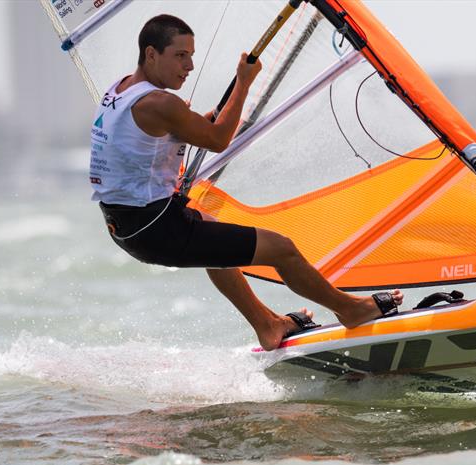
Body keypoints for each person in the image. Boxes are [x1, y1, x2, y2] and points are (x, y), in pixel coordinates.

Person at [89, 14, 403, 350]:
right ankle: (351, 309)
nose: (190, 66)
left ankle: (267, 325)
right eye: (180, 55)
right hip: (156, 227)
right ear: (151, 54)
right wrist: (244, 82)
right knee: (282, 249)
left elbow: (180, 132)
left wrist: (203, 119)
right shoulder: (159, 103)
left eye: (191, 55)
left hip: (127, 225)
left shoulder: (121, 89)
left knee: (213, 234)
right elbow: (218, 138)